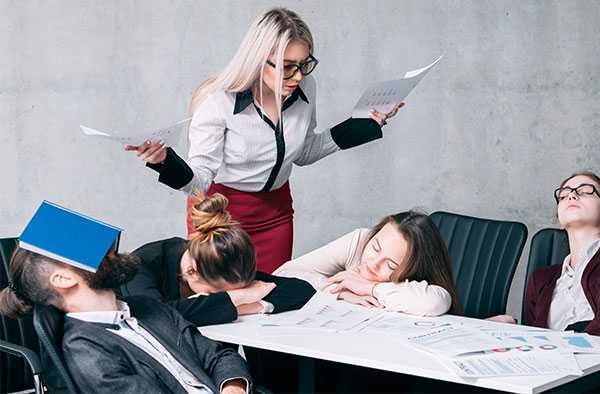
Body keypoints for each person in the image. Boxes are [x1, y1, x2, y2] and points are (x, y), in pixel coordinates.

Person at [126, 8, 403, 274]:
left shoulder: (306, 87)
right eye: (287, 67)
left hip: (276, 214)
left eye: (304, 64)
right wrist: (164, 162)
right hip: (220, 216)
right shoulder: (218, 102)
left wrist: (365, 124)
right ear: (258, 60)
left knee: (272, 301)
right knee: (224, 305)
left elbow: (305, 152)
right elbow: (199, 182)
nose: (298, 76)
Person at [0, 248, 251, 393]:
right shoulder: (86, 351)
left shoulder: (147, 307)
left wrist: (233, 387)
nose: (107, 249)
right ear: (63, 279)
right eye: (87, 250)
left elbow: (218, 356)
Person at [119, 192, 316, 326]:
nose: (230, 295)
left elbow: (302, 290)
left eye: (240, 290)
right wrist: (236, 299)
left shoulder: (221, 260)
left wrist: (249, 306)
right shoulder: (141, 266)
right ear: (192, 271)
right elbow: (156, 317)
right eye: (220, 293)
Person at [490, 171, 600, 336]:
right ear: (559, 219)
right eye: (563, 195)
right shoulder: (540, 278)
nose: (571, 195)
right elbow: (534, 336)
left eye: (585, 191)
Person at [274, 210, 459, 316]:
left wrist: (369, 288)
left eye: (391, 265)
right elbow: (283, 274)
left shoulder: (422, 283)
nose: (373, 263)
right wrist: (341, 291)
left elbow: (433, 303)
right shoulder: (361, 240)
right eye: (376, 248)